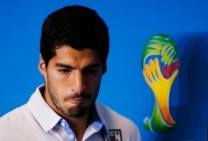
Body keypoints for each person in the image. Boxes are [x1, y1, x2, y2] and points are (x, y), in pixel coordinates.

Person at [0, 5, 141, 141]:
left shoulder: (126, 131)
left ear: (103, 68)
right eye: (65, 70)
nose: (79, 87)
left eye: (91, 71)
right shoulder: (6, 134)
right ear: (43, 65)